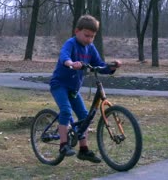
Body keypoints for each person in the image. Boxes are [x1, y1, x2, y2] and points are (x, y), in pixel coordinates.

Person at [50, 14, 121, 163]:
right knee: (65, 110)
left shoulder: (90, 48)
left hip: (74, 89)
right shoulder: (71, 43)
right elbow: (64, 56)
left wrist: (111, 67)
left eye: (92, 37)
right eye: (86, 35)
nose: (89, 39)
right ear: (77, 31)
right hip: (59, 85)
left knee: (85, 117)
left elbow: (99, 65)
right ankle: (63, 145)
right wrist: (71, 63)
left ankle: (83, 150)